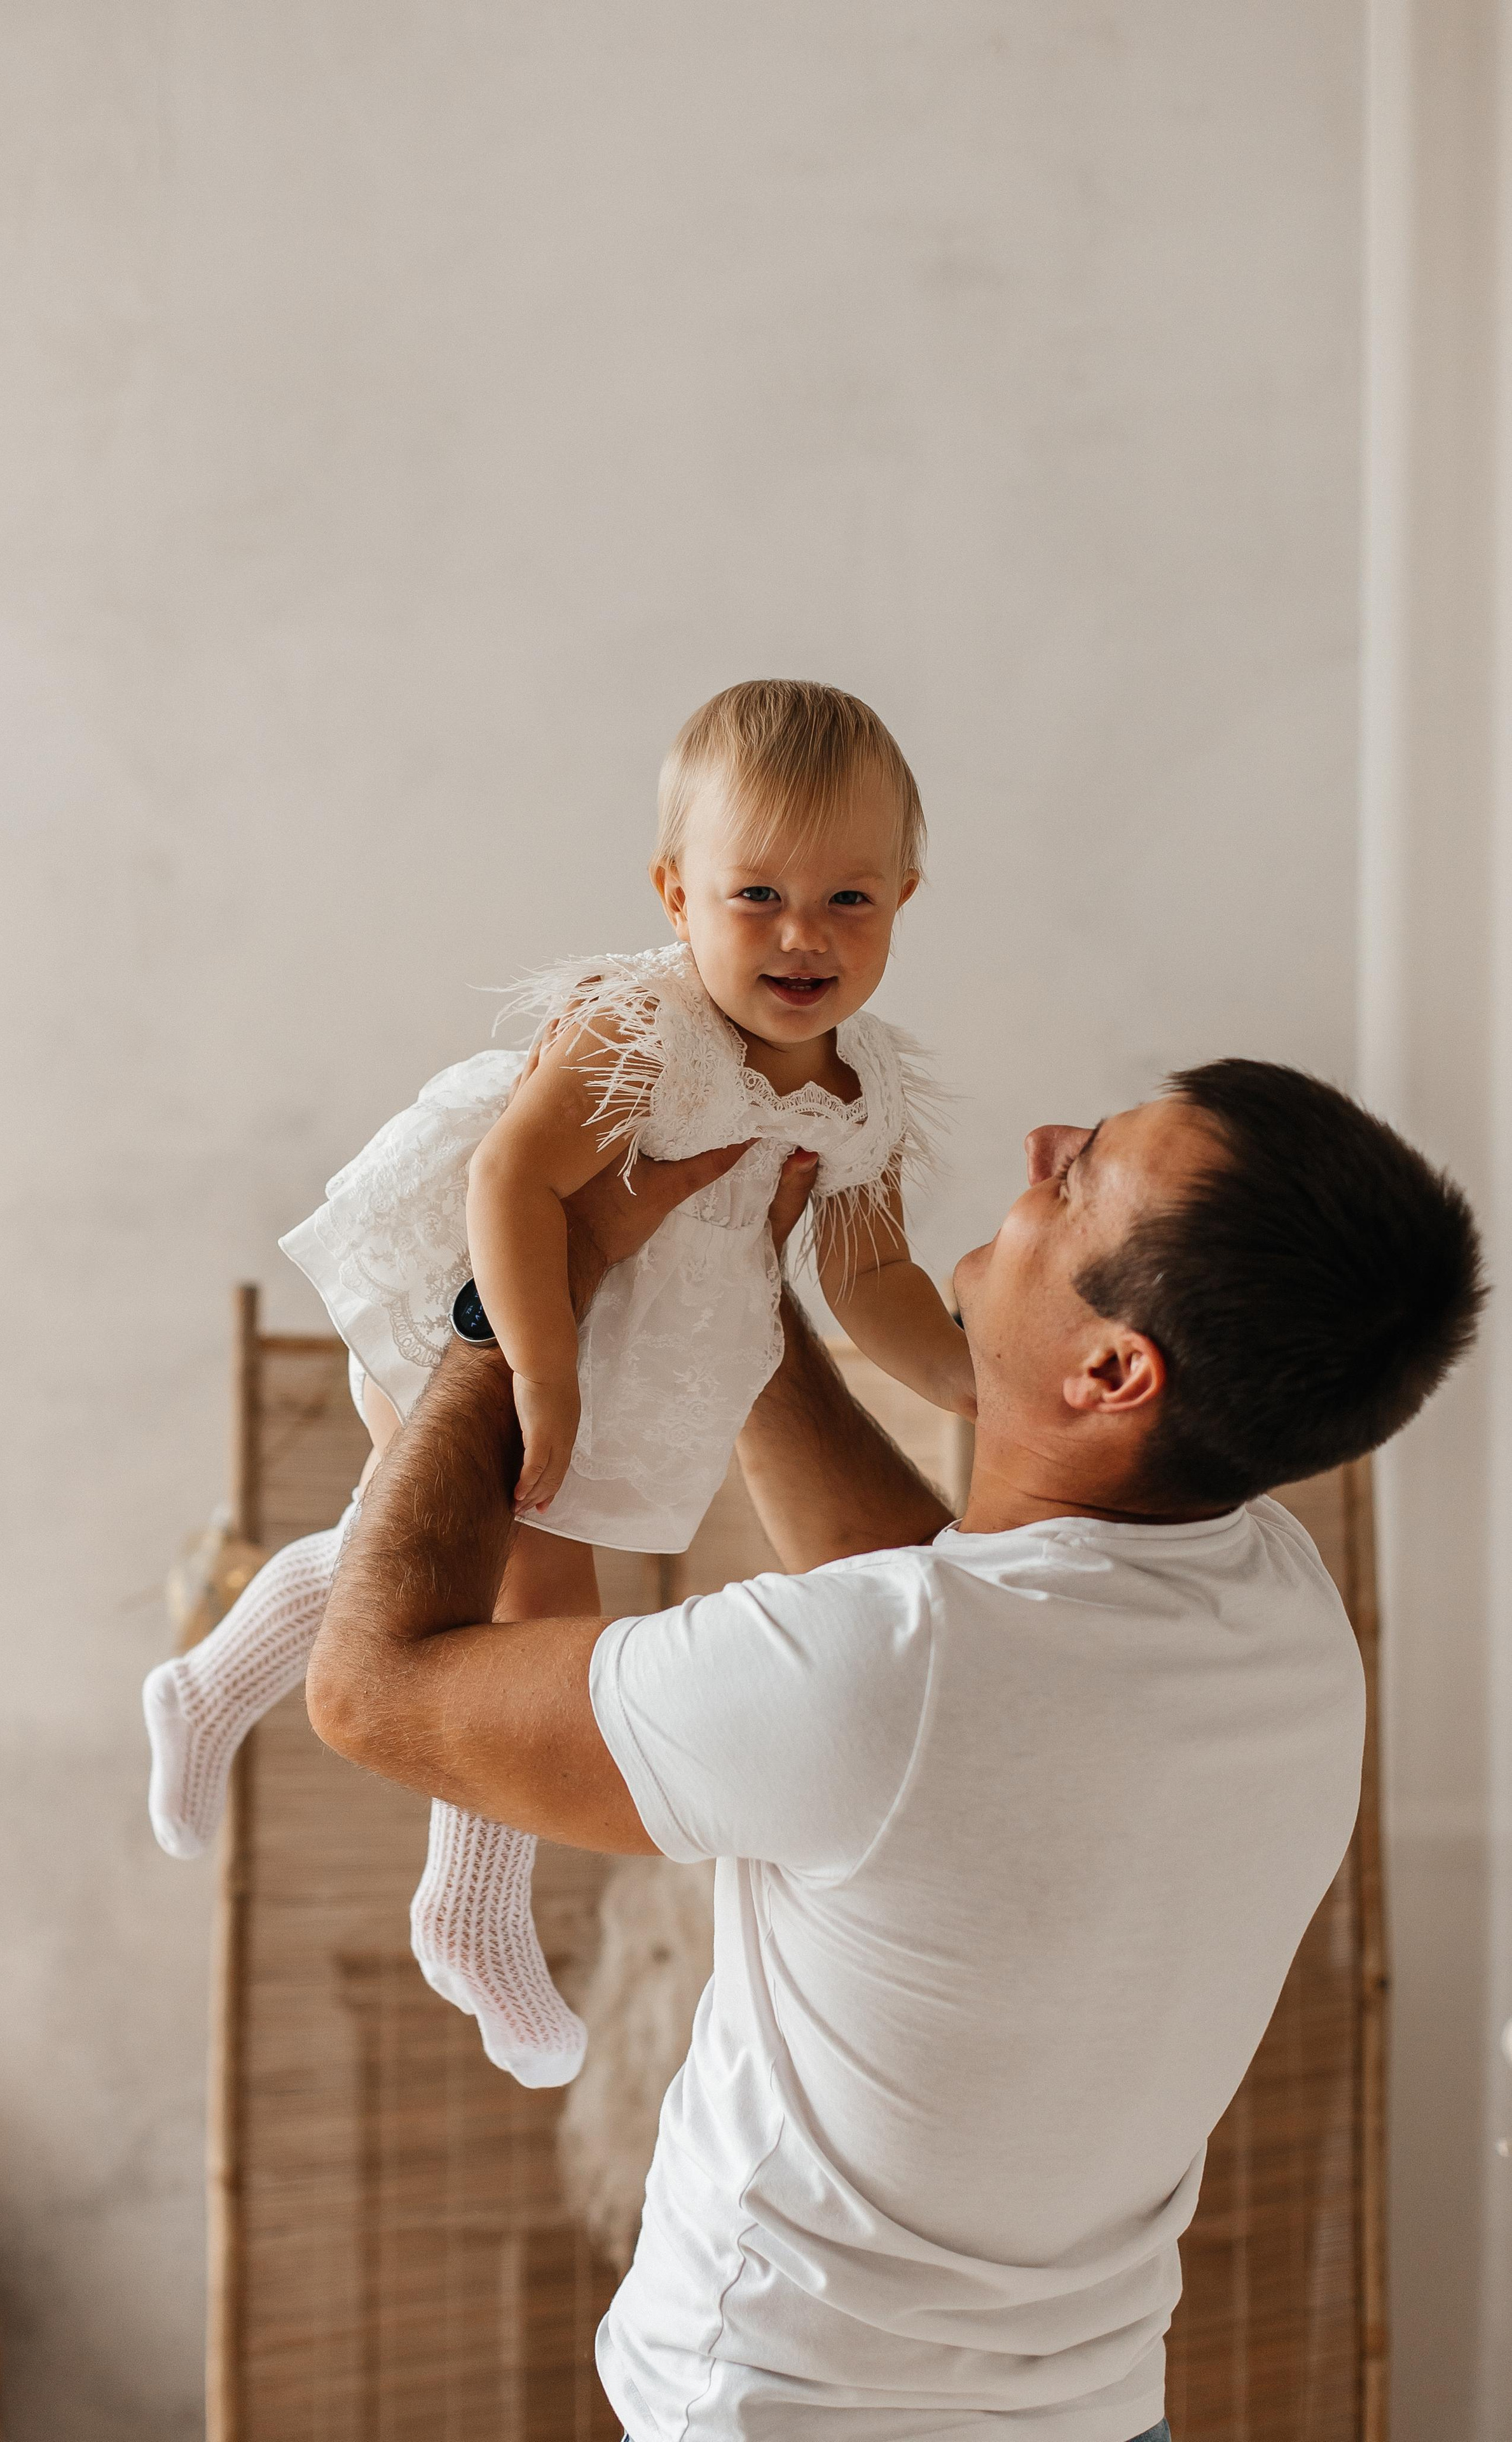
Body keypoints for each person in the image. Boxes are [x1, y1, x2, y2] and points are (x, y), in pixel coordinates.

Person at [304, 1058, 1482, 2442]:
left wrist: (503, 1312)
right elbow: (938, 1630)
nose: (1036, 1139)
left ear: (1112, 1370)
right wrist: (733, 1289)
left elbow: (372, 1692)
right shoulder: (1273, 1609)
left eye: (1073, 1175)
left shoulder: (893, 1675)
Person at [142, 679, 973, 2087]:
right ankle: (467, 1913)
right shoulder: (642, 1028)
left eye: (847, 901)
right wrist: (537, 1364)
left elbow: (868, 1277)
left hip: (634, 1352)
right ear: (673, 892)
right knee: (533, 1614)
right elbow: (511, 1177)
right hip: (497, 1306)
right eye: (754, 893)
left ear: (904, 894)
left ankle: (213, 1690)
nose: (799, 935)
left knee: (422, 1579)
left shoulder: (859, 1091)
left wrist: (970, 1383)